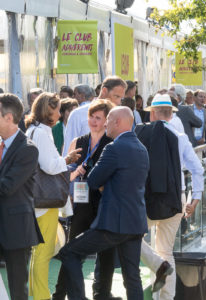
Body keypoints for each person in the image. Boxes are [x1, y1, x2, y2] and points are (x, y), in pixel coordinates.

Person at [59, 106, 150, 300]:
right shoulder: (142, 148)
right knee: (132, 277)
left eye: (107, 119)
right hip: (135, 223)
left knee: (69, 253)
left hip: (113, 223)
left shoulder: (114, 147)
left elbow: (92, 180)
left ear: (117, 122)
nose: (106, 123)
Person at [138, 94, 204, 300]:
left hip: (146, 198)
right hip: (177, 199)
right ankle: (166, 296)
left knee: (131, 237)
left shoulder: (141, 134)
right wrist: (196, 198)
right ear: (170, 114)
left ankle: (158, 266)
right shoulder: (181, 138)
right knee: (166, 249)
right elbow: (198, 169)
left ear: (153, 113)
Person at [52, 99, 115, 300]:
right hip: (81, 203)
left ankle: (102, 294)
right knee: (72, 251)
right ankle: (59, 294)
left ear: (107, 121)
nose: (93, 121)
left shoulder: (111, 143)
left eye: (98, 118)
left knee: (106, 253)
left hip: (105, 203)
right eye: (91, 116)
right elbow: (63, 175)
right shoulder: (77, 143)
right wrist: (75, 172)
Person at [25, 92, 81, 300]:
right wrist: (66, 159)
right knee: (44, 251)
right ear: (49, 110)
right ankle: (41, 295)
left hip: (37, 200)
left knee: (38, 252)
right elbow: (50, 165)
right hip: (45, 202)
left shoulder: (32, 130)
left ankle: (37, 293)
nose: (60, 114)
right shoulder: (42, 132)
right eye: (57, 109)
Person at [0, 93, 43, 300]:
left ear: (9, 117)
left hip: (16, 229)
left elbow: (7, 186)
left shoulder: (28, 149)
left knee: (18, 289)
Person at [63, 76, 127, 156]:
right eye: (116, 96)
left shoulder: (119, 117)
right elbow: (68, 152)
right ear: (104, 91)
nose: (118, 102)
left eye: (121, 99)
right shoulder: (78, 114)